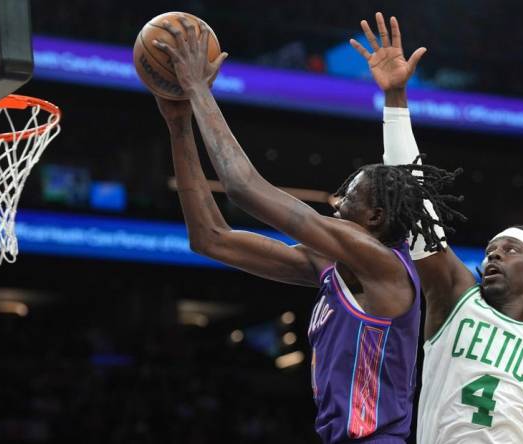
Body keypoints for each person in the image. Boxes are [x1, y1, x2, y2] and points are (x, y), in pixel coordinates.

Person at [151, 15, 463, 443]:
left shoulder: (381, 264)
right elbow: (210, 239)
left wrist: (199, 90)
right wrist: (179, 125)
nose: (337, 203)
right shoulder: (333, 265)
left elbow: (244, 189)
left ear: (374, 219)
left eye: (349, 196)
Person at [351, 12, 523, 443]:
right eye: (492, 248)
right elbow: (414, 196)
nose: (493, 254)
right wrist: (396, 99)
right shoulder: (454, 297)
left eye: (509, 249)